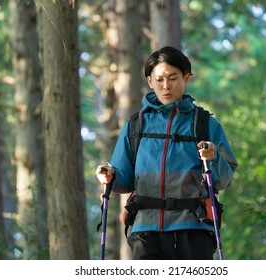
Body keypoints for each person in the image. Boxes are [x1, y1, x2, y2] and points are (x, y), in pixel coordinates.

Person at [96, 46, 238, 260]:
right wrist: (110, 175)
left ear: (186, 78)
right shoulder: (135, 125)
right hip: (145, 230)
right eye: (159, 79)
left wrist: (213, 158)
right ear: (150, 81)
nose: (166, 86)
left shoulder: (205, 124)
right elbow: (123, 179)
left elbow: (224, 179)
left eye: (173, 78)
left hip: (193, 228)